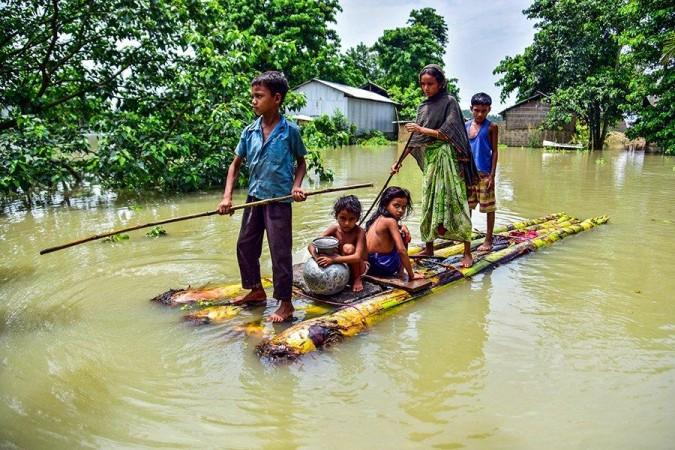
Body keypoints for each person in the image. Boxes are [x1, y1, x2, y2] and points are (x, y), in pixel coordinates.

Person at [217, 71, 307, 322]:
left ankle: (285, 303)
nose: (253, 101)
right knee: (245, 245)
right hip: (255, 198)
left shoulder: (289, 131)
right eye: (252, 96)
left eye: (259, 96)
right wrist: (227, 198)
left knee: (280, 251)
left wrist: (296, 186)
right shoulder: (249, 131)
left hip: (279, 201)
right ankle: (256, 290)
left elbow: (301, 163)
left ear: (276, 98)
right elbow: (234, 165)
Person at [393, 64, 478, 268]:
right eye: (423, 84)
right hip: (431, 160)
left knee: (456, 202)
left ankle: (467, 252)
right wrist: (398, 162)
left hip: (447, 158)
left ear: (440, 83)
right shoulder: (422, 107)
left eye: (430, 83)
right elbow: (415, 139)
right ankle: (429, 246)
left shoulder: (450, 102)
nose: (426, 88)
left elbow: (449, 132)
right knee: (429, 201)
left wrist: (421, 128)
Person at [308, 195, 368, 292]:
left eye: (351, 219)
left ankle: (357, 279)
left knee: (348, 248)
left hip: (360, 267)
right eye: (342, 218)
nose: (347, 223)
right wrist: (317, 258)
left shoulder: (360, 232)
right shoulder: (334, 228)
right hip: (343, 263)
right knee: (327, 247)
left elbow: (357, 257)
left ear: (357, 219)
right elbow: (312, 244)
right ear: (336, 216)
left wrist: (333, 259)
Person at [365, 186, 424, 281]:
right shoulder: (391, 221)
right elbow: (401, 250)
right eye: (396, 206)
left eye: (404, 207)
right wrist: (412, 275)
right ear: (385, 204)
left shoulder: (377, 218)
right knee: (404, 236)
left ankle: (401, 270)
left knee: (402, 231)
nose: (401, 210)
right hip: (382, 266)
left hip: (369, 265)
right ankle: (402, 272)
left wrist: (402, 226)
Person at [465, 92, 499, 251]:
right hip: (468, 174)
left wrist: (492, 175)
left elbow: (495, 152)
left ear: (489, 110)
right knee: (467, 208)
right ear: (471, 108)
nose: (480, 114)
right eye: (476, 110)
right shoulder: (465, 126)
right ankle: (466, 238)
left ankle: (488, 240)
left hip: (485, 174)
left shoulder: (492, 127)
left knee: (488, 208)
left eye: (484, 111)